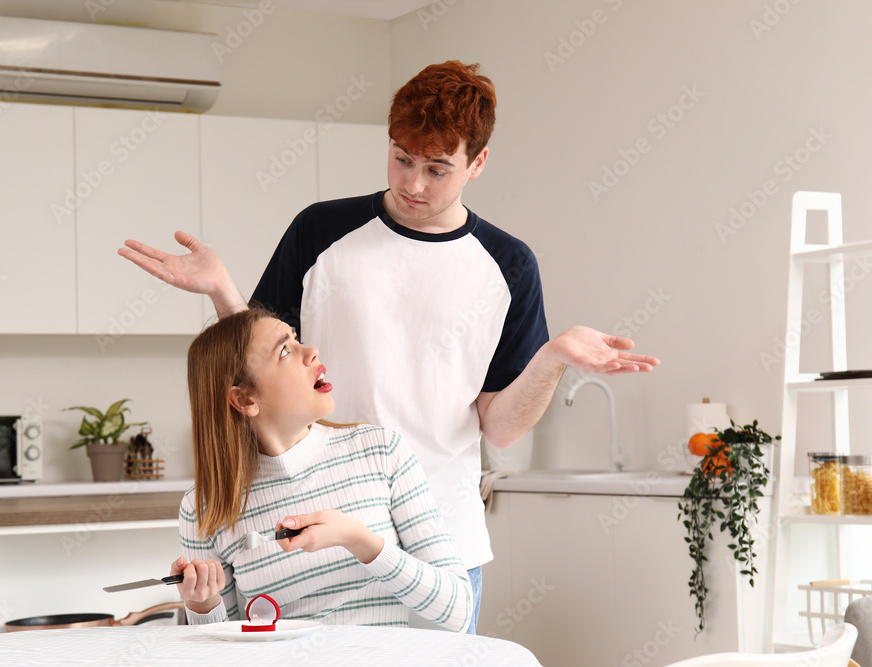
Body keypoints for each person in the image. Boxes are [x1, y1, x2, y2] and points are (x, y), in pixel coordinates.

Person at [122, 61, 659, 634]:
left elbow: (500, 429)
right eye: (401, 158)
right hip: (316, 537)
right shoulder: (320, 232)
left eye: (436, 169)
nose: (412, 184)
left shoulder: (509, 266)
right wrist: (222, 290)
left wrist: (552, 360)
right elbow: (259, 361)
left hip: (439, 552)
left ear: (477, 164)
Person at [171, 308, 471, 632]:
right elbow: (222, 649)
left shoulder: (382, 451)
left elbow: (458, 611)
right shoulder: (204, 507)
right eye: (284, 350)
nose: (311, 352)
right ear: (245, 400)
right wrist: (202, 606)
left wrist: (359, 541)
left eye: (295, 338)